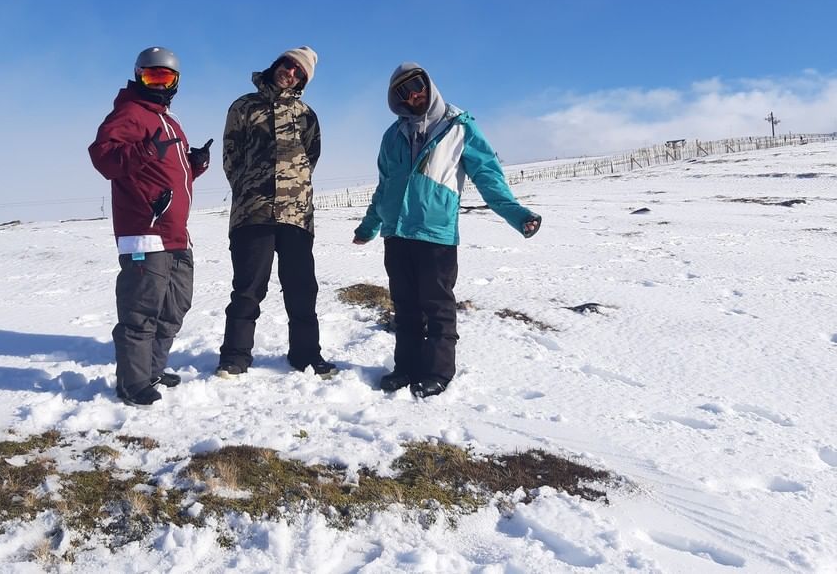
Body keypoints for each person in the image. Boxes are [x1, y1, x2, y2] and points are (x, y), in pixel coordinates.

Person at [353, 62, 541, 398]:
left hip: (435, 235)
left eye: (417, 85)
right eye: (403, 91)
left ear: (428, 84)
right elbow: (384, 188)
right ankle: (406, 368)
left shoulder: (459, 127)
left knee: (438, 306)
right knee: (405, 306)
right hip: (396, 234)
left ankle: (438, 372)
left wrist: (516, 214)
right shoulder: (392, 135)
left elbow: (488, 175)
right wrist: (369, 227)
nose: (413, 95)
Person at [88, 46, 212, 406]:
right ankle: (132, 382)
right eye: (150, 76)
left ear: (175, 83)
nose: (157, 84)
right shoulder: (130, 113)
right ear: (138, 76)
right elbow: (104, 157)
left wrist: (194, 165)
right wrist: (144, 152)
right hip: (145, 232)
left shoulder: (168, 120)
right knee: (140, 312)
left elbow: (164, 174)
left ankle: (152, 369)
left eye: (165, 78)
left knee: (174, 308)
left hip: (176, 234)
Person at [216, 47, 336, 378]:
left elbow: (310, 157)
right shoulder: (243, 107)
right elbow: (231, 155)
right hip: (252, 213)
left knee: (301, 288)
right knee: (248, 287)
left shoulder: (306, 115)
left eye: (300, 72)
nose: (291, 73)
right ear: (276, 64)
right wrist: (247, 187)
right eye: (288, 65)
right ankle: (234, 356)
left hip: (296, 216)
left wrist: (293, 190)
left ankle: (306, 355)